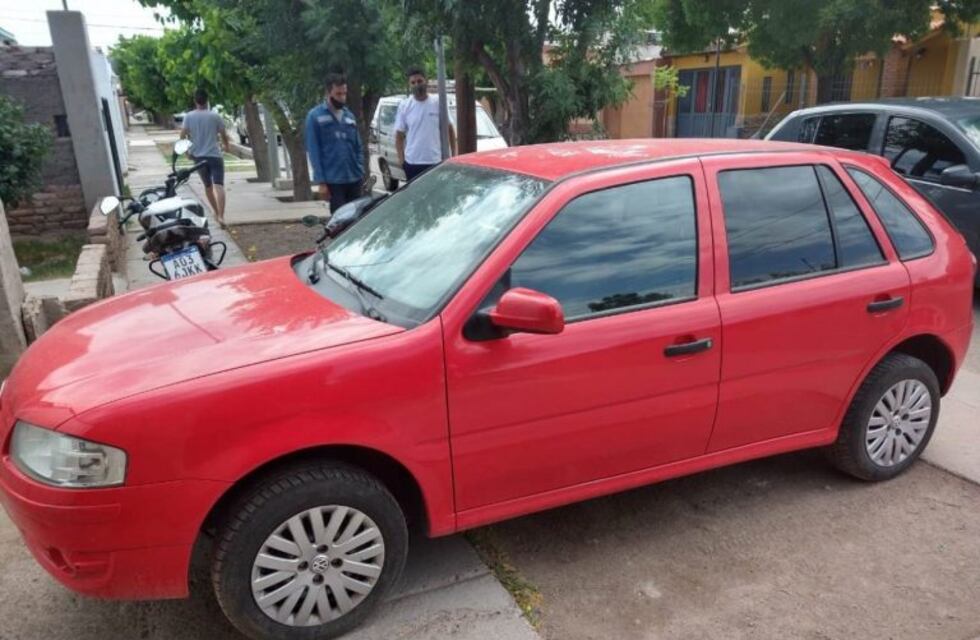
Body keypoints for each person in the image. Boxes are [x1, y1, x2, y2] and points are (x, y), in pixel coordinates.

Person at [305, 73, 365, 213]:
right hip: (333, 180)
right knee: (340, 218)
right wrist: (321, 182)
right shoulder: (315, 116)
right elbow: (314, 151)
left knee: (356, 218)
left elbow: (358, 146)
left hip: (354, 178)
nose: (342, 98)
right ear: (328, 93)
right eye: (338, 94)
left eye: (344, 93)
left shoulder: (349, 116)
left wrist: (360, 168)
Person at [395, 67, 456, 181]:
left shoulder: (438, 102)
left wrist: (454, 155)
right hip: (412, 163)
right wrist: (402, 160)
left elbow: (450, 129)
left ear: (426, 81)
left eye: (419, 81)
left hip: (435, 162)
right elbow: (399, 136)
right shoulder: (405, 106)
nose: (417, 85)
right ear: (409, 85)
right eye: (413, 82)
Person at [180, 88, 230, 227]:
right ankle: (221, 216)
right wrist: (226, 146)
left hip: (199, 157)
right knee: (219, 185)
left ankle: (215, 212)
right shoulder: (215, 116)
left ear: (195, 101)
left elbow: (182, 136)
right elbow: (223, 134)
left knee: (208, 186)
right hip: (215, 155)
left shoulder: (189, 117)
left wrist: (187, 152)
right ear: (207, 100)